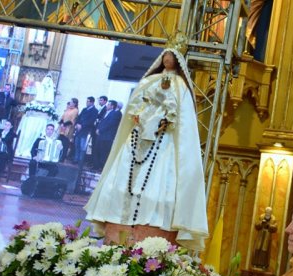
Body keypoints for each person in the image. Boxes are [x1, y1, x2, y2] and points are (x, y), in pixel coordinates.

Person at [85, 43, 209, 251]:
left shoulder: (180, 86)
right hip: (139, 136)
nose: (167, 59)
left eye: (171, 57)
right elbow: (138, 102)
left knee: (159, 188)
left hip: (164, 142)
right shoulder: (150, 81)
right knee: (124, 182)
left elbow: (181, 116)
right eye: (166, 56)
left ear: (177, 61)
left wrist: (166, 120)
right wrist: (140, 115)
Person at [93, 100, 121, 170]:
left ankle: (102, 167)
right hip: (100, 135)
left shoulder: (114, 114)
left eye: (108, 105)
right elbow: (101, 122)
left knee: (104, 152)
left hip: (106, 136)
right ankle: (96, 165)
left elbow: (110, 124)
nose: (107, 106)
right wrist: (97, 129)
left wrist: (100, 130)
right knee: (97, 150)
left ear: (112, 106)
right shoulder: (106, 112)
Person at [73, 96, 98, 165]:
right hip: (79, 129)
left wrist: (82, 125)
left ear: (92, 102)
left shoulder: (95, 111)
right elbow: (79, 117)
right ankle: (76, 158)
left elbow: (91, 121)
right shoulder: (84, 109)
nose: (86, 103)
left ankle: (80, 160)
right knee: (77, 144)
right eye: (86, 101)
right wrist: (77, 124)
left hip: (85, 130)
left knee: (82, 146)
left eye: (88, 101)